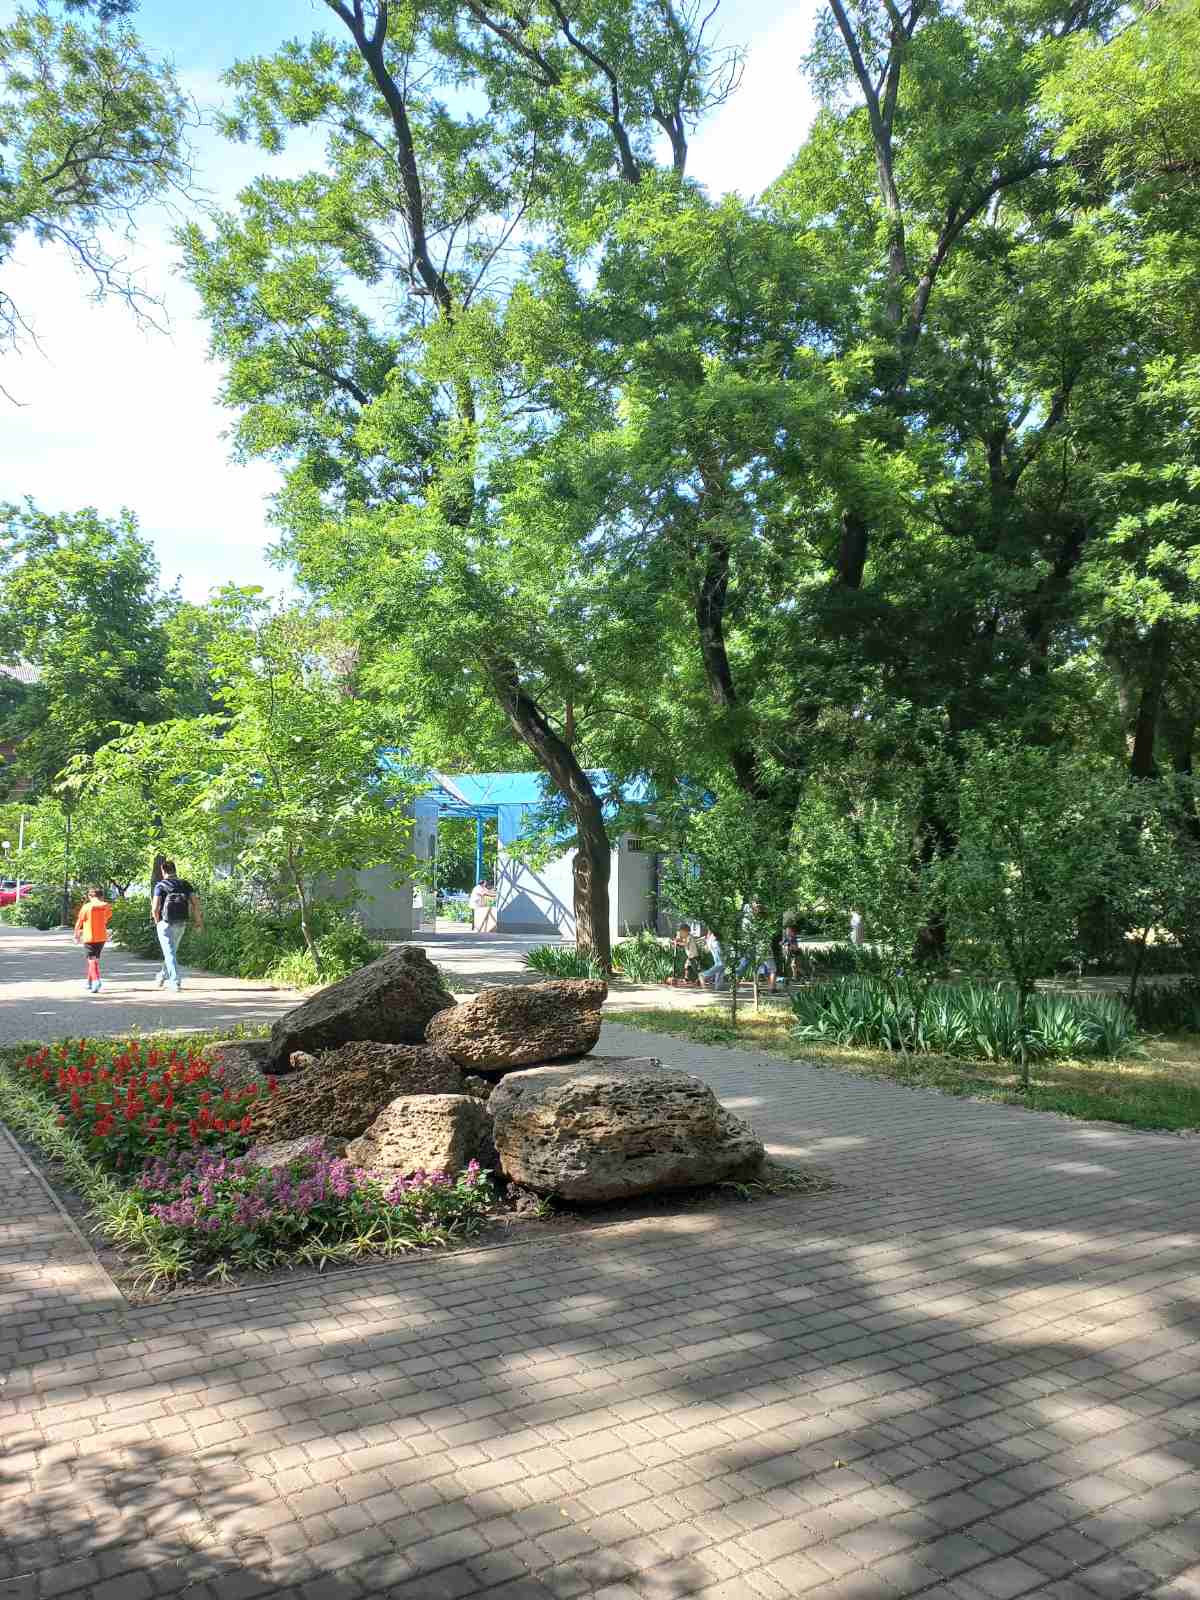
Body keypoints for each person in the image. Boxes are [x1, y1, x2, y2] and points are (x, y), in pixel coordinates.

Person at [151, 860, 202, 991]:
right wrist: (198, 922)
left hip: (165, 923)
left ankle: (175, 982)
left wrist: (157, 923)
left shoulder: (160, 886)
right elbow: (196, 904)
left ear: (163, 871)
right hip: (181, 923)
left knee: (170, 953)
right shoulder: (185, 884)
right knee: (171, 952)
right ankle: (162, 976)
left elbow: (155, 908)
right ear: (175, 869)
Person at [73, 885, 112, 993]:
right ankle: (89, 982)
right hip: (101, 937)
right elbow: (107, 917)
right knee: (95, 960)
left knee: (91, 960)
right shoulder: (106, 906)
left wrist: (76, 934)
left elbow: (79, 921)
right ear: (101, 896)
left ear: (90, 896)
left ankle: (96, 981)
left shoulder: (86, 907)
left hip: (89, 937)